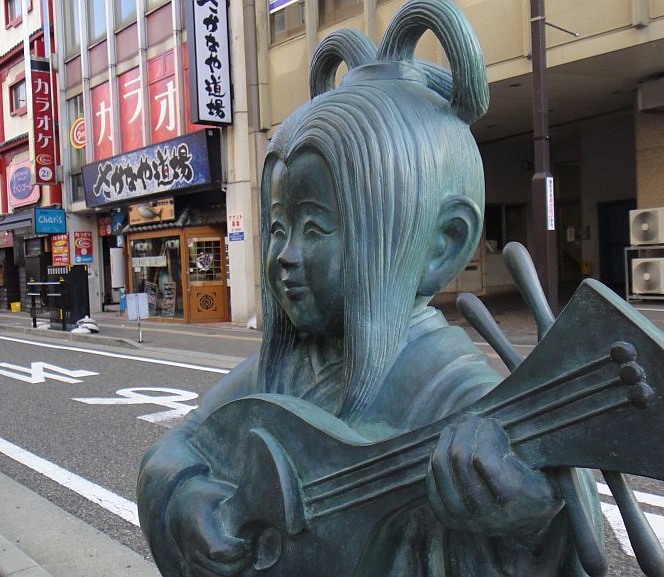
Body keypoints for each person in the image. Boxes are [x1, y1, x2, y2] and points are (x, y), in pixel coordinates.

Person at [136, 1, 601, 575]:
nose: (285, 255)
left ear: (442, 244)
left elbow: (565, 541)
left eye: (315, 228)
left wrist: (530, 525)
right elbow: (181, 442)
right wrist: (185, 495)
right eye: (278, 228)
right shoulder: (287, 370)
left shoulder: (456, 396)